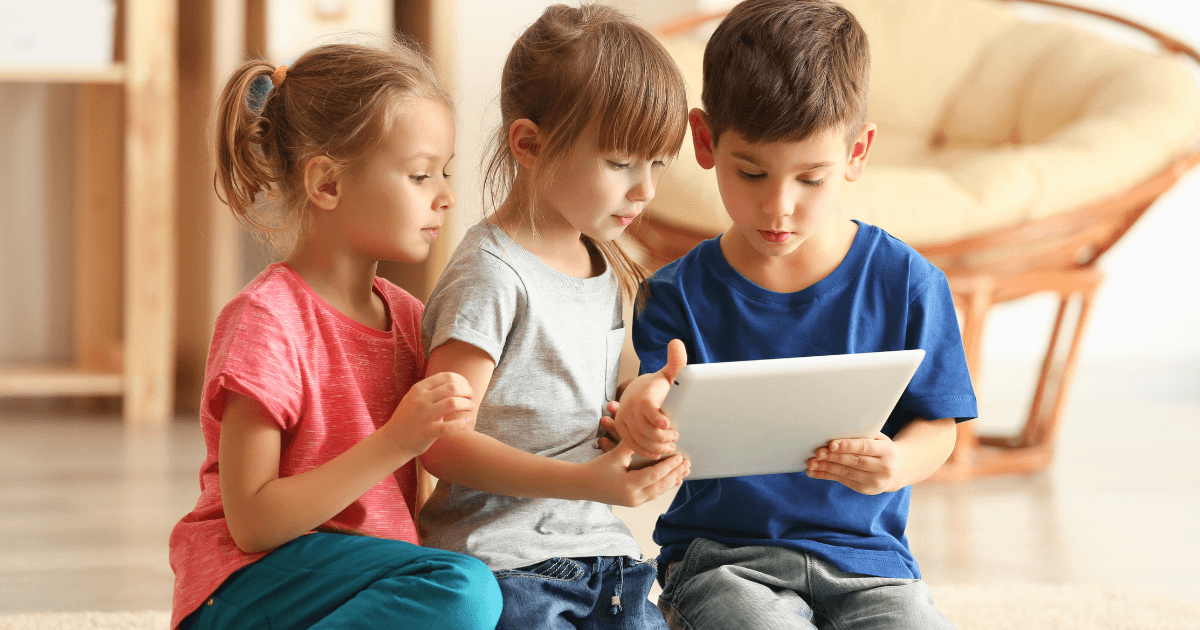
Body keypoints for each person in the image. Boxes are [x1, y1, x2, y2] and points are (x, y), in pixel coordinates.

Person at [609, 1, 978, 628]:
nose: (778, 207)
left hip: (871, 564)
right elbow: (646, 410)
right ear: (704, 142)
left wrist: (897, 465)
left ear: (857, 154)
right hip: (723, 561)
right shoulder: (674, 294)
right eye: (751, 172)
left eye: (811, 178)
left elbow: (940, 425)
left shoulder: (908, 282)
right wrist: (641, 412)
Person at [168, 40, 502, 630]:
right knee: (465, 591)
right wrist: (397, 441)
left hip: (357, 581)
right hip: (249, 586)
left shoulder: (407, 318)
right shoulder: (267, 319)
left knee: (480, 588)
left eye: (445, 173)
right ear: (326, 183)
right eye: (421, 174)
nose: (446, 196)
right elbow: (252, 523)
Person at [416, 5, 692, 628]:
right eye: (622, 162)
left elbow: (608, 399)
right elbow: (441, 444)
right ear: (530, 144)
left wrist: (645, 405)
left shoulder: (601, 261)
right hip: (506, 565)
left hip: (607, 559)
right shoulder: (490, 276)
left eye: (658, 164)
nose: (645, 189)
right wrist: (589, 484)